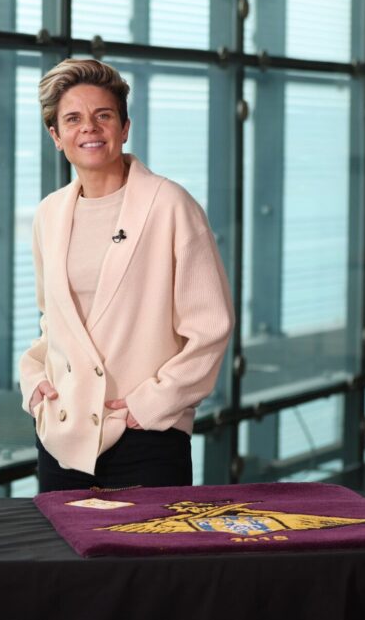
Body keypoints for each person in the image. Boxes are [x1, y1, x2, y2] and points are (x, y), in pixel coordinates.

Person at [19, 58, 234, 492]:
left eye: (103, 116)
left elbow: (211, 327)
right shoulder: (49, 214)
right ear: (56, 136)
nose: (90, 128)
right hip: (63, 436)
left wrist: (151, 404)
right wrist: (35, 379)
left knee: (150, 558)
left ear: (124, 127)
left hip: (146, 434)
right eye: (73, 119)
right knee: (63, 558)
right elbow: (54, 320)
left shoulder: (171, 204)